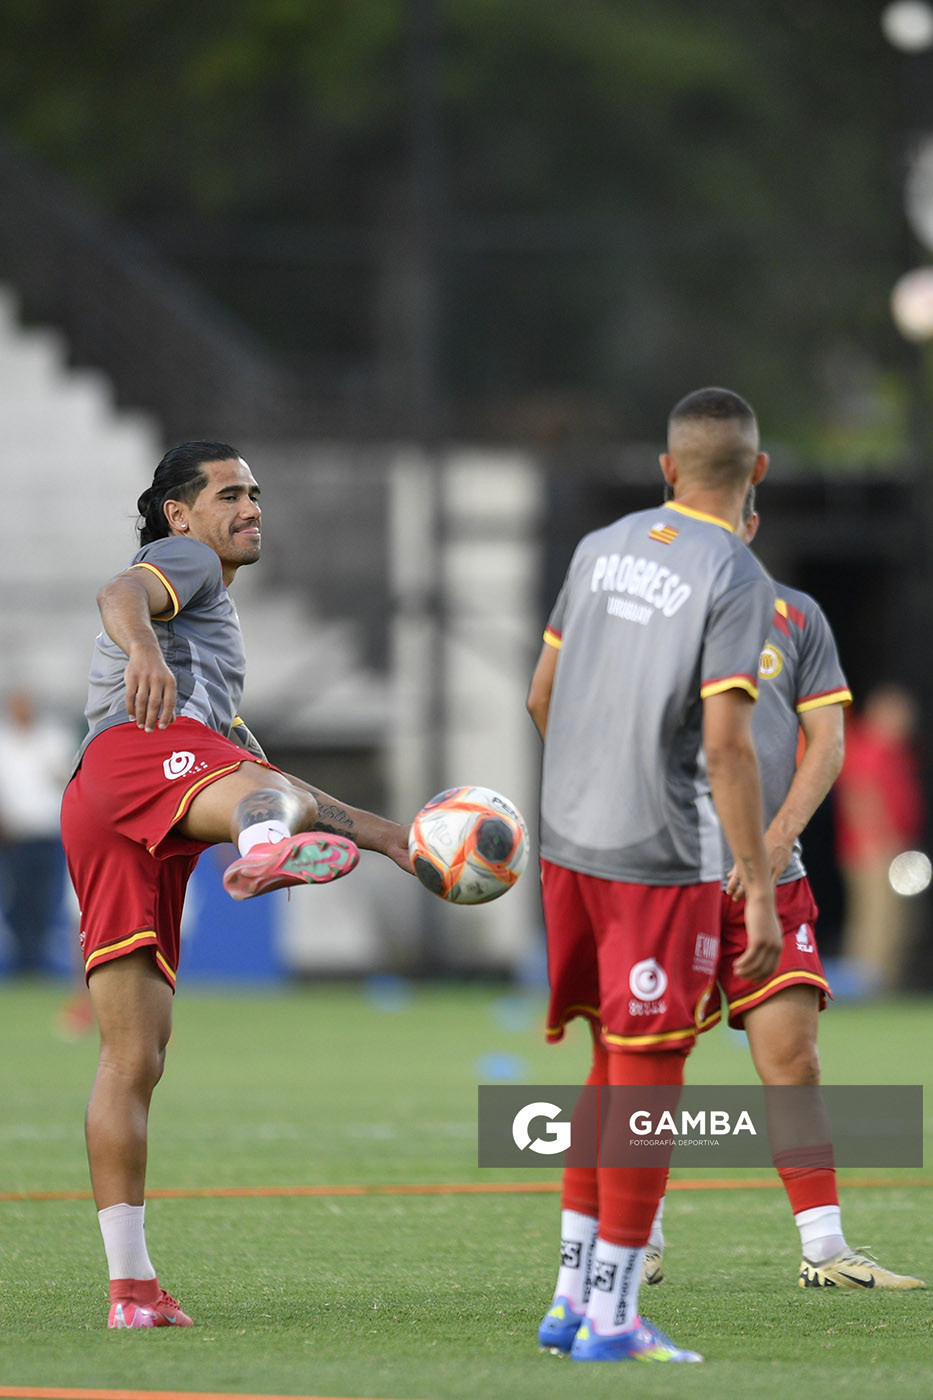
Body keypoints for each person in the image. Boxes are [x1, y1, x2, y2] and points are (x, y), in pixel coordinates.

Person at [60, 441, 412, 1331]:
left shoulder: (216, 670)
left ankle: (131, 1291)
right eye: (230, 494)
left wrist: (392, 841)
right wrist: (143, 649)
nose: (252, 507)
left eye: (256, 494)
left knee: (133, 1061)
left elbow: (269, 775)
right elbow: (119, 592)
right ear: (180, 515)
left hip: (104, 805)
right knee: (268, 797)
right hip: (144, 757)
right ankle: (258, 855)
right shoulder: (188, 567)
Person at [526, 387, 782, 1364]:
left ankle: (569, 1299)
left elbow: (540, 692)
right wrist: (756, 883)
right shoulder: (737, 570)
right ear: (755, 473)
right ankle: (615, 1320)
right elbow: (727, 746)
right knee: (650, 1084)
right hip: (659, 858)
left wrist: (591, 782)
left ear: (668, 469)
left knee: (609, 1065)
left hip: (567, 846)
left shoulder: (597, 545)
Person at [641, 491, 925, 1292]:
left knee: (792, 1060)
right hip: (669, 880)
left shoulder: (796, 617)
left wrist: (772, 840)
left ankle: (825, 1249)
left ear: (750, 526)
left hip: (774, 879)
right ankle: (638, 1238)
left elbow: (827, 742)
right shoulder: (644, 616)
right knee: (652, 1061)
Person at [834, 683, 926, 994]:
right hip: (872, 849)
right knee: (875, 918)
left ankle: (883, 983)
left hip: (897, 849)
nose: (905, 719)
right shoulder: (867, 747)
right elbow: (859, 795)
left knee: (897, 919)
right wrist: (875, 839)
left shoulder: (897, 751)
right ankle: (861, 987)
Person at [0, 687, 74, 975]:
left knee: (43, 901)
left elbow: (67, 781)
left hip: (46, 833)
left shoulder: (52, 738)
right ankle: (23, 961)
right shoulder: (4, 742)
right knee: (18, 900)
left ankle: (36, 962)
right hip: (13, 836)